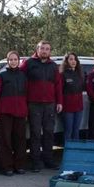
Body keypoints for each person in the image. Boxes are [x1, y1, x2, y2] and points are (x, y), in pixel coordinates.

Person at [19, 41, 63, 172]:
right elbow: (19, 80)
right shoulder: (28, 63)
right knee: (35, 133)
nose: (44, 51)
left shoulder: (53, 66)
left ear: (50, 52)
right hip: (34, 104)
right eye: (42, 48)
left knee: (49, 132)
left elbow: (58, 85)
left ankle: (48, 159)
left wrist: (59, 102)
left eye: (47, 49)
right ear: (37, 49)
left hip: (50, 104)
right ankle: (35, 161)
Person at [0, 51, 28, 176]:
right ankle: (7, 167)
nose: (13, 62)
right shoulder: (1, 76)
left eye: (15, 59)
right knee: (6, 140)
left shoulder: (23, 76)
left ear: (19, 61)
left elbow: (27, 95)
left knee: (20, 140)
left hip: (20, 112)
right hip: (5, 112)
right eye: (11, 60)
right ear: (8, 61)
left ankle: (20, 166)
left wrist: (26, 110)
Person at [61, 52, 85, 141]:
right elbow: (60, 91)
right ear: (66, 61)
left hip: (79, 108)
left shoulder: (80, 74)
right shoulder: (63, 74)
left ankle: (75, 152)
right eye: (71, 59)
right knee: (68, 131)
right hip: (67, 108)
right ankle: (67, 153)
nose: (73, 61)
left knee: (76, 131)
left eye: (75, 59)